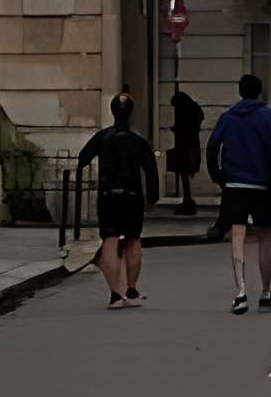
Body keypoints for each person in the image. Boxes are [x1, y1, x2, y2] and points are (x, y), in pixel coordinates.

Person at [207, 71, 271, 313]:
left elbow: (212, 147)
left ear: (240, 92)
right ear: (259, 91)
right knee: (265, 237)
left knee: (237, 236)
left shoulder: (228, 117)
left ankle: (240, 292)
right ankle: (265, 291)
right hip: (262, 185)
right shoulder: (267, 116)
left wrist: (219, 176)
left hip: (234, 185)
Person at [74, 95, 159, 307]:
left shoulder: (103, 137)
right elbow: (150, 170)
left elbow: (83, 158)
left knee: (110, 240)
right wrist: (152, 196)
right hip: (132, 196)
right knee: (133, 240)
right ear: (131, 113)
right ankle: (131, 290)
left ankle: (114, 294)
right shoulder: (138, 141)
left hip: (109, 194)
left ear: (112, 112)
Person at [169, 81, 205, 216]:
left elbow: (182, 128)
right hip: (191, 146)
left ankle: (188, 200)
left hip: (185, 147)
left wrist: (176, 129)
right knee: (187, 174)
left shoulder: (185, 112)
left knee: (185, 173)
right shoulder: (194, 111)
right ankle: (188, 200)